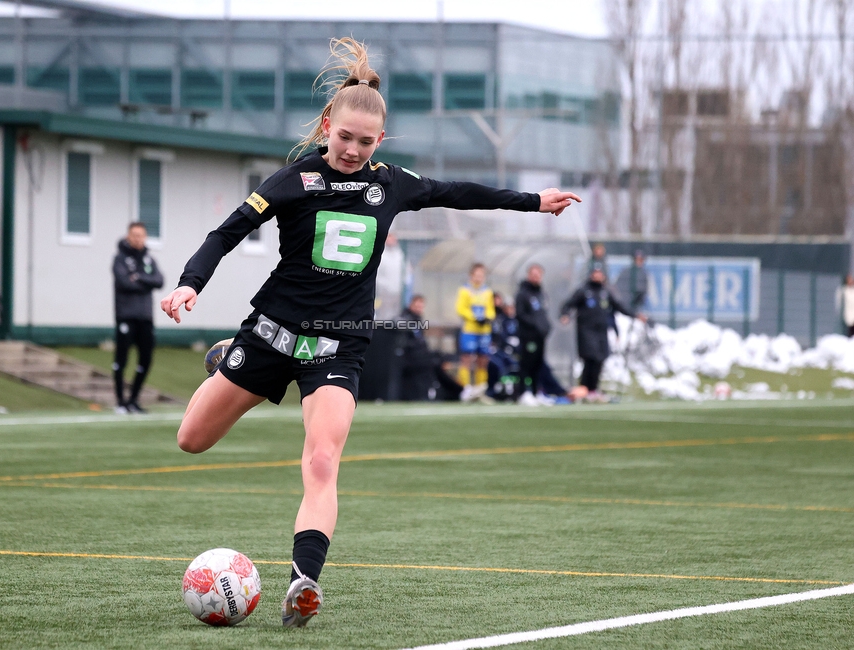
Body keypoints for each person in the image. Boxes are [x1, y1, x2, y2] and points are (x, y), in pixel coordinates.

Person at [158, 37, 580, 629]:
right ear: (327, 126)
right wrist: (189, 284)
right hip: (271, 335)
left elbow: (458, 193)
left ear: (379, 140)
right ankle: (228, 358)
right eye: (344, 137)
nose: (353, 150)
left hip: (338, 345)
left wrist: (532, 201)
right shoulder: (290, 181)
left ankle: (305, 580)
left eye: (365, 141)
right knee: (191, 440)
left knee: (323, 459)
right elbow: (225, 234)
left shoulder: (393, 184)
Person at [560, 264, 644, 398]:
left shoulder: (605, 292)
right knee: (590, 358)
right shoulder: (583, 291)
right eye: (595, 273)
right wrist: (565, 314)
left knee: (600, 358)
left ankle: (593, 389)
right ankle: (585, 388)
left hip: (601, 332)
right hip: (586, 331)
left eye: (600, 273)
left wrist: (635, 315)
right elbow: (569, 304)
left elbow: (619, 306)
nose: (597, 276)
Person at [112, 222, 164, 414]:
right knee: (121, 359)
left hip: (145, 317)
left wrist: (139, 278)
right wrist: (144, 282)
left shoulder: (149, 260)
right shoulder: (120, 259)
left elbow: (159, 281)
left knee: (146, 359)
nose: (137, 238)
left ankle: (133, 400)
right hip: (126, 316)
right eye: (134, 235)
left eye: (141, 235)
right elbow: (124, 282)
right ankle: (120, 402)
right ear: (128, 236)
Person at [455, 263, 495, 403]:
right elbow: (461, 308)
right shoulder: (465, 290)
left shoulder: (487, 292)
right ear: (471, 276)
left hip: (484, 331)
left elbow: (491, 309)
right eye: (476, 275)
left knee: (483, 360)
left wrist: (487, 318)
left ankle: (480, 389)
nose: (479, 278)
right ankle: (465, 389)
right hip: (470, 330)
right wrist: (474, 318)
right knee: (467, 358)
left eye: (481, 275)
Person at [515, 263, 551, 403]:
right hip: (528, 336)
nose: (536, 277)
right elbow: (521, 315)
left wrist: (546, 327)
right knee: (526, 364)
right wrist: (535, 326)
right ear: (528, 275)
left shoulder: (541, 294)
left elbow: (543, 314)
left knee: (538, 364)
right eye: (533, 274)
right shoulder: (523, 294)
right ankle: (524, 393)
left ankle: (537, 392)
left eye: (538, 275)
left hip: (540, 336)